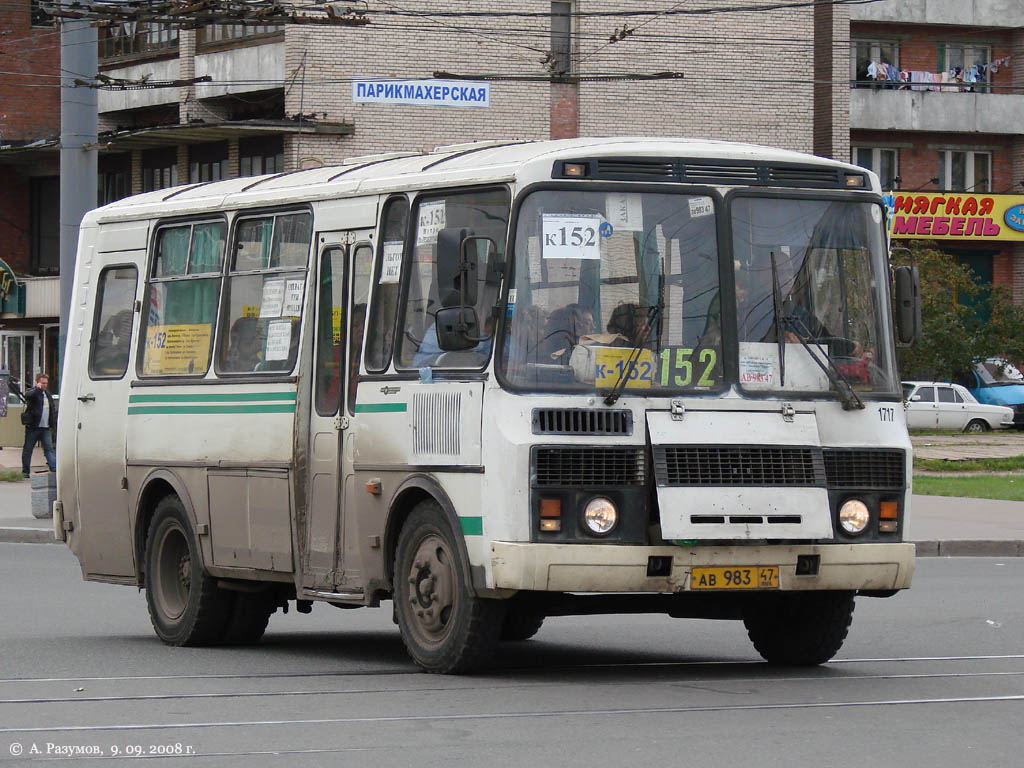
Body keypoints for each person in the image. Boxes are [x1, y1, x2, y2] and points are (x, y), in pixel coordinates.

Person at [22, 372, 57, 478]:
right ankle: (25, 471)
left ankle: (53, 467)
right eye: (42, 383)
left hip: (45, 427)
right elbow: (27, 396)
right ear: (37, 383)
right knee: (28, 449)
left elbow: (51, 409)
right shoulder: (33, 392)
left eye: (46, 383)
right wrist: (37, 389)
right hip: (33, 427)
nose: (44, 385)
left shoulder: (47, 394)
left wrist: (53, 425)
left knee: (49, 448)